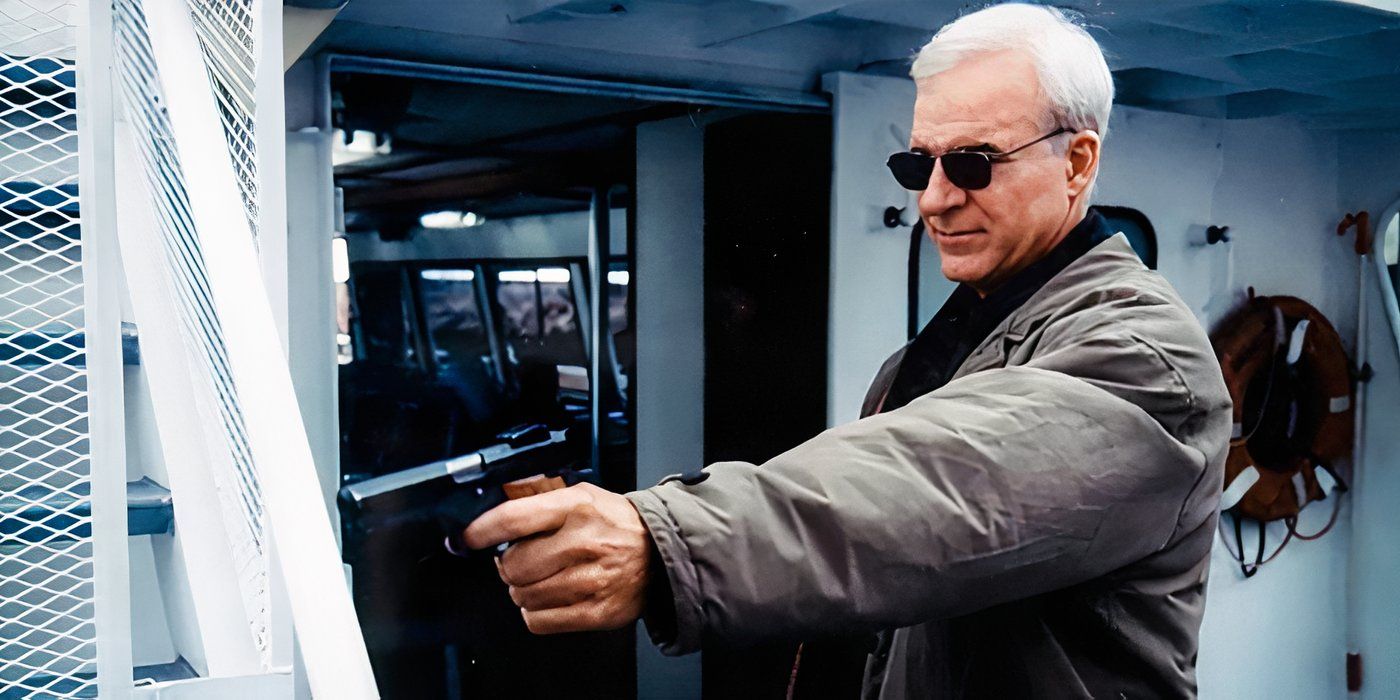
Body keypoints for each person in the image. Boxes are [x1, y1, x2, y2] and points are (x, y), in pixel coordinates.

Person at [464, 4, 1232, 697]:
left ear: (1077, 163)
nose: (932, 198)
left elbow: (944, 488)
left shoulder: (1145, 361)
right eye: (917, 165)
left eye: (972, 164)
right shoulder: (940, 354)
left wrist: (667, 541)